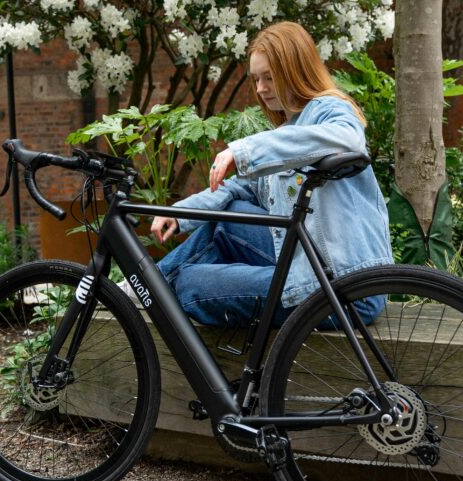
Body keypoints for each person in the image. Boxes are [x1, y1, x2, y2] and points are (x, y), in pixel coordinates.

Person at [148, 21, 393, 327]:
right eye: (256, 79)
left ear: (295, 70)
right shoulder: (284, 133)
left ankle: (145, 293)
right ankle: (144, 288)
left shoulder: (330, 110)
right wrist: (177, 213)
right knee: (229, 218)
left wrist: (243, 151)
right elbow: (234, 190)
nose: (261, 89)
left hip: (350, 286)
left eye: (269, 77)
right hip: (317, 268)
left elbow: (347, 139)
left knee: (191, 285)